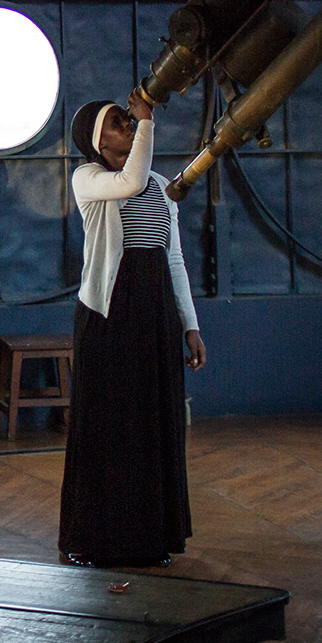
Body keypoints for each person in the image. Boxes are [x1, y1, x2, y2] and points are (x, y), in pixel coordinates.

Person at [58, 89, 206, 569]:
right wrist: (147, 124)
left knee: (152, 425)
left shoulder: (161, 185)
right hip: (109, 315)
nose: (127, 123)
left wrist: (189, 324)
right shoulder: (89, 178)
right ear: (98, 144)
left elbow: (173, 257)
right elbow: (130, 181)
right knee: (109, 427)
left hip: (155, 312)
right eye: (116, 123)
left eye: (127, 120)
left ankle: (150, 539)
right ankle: (93, 540)